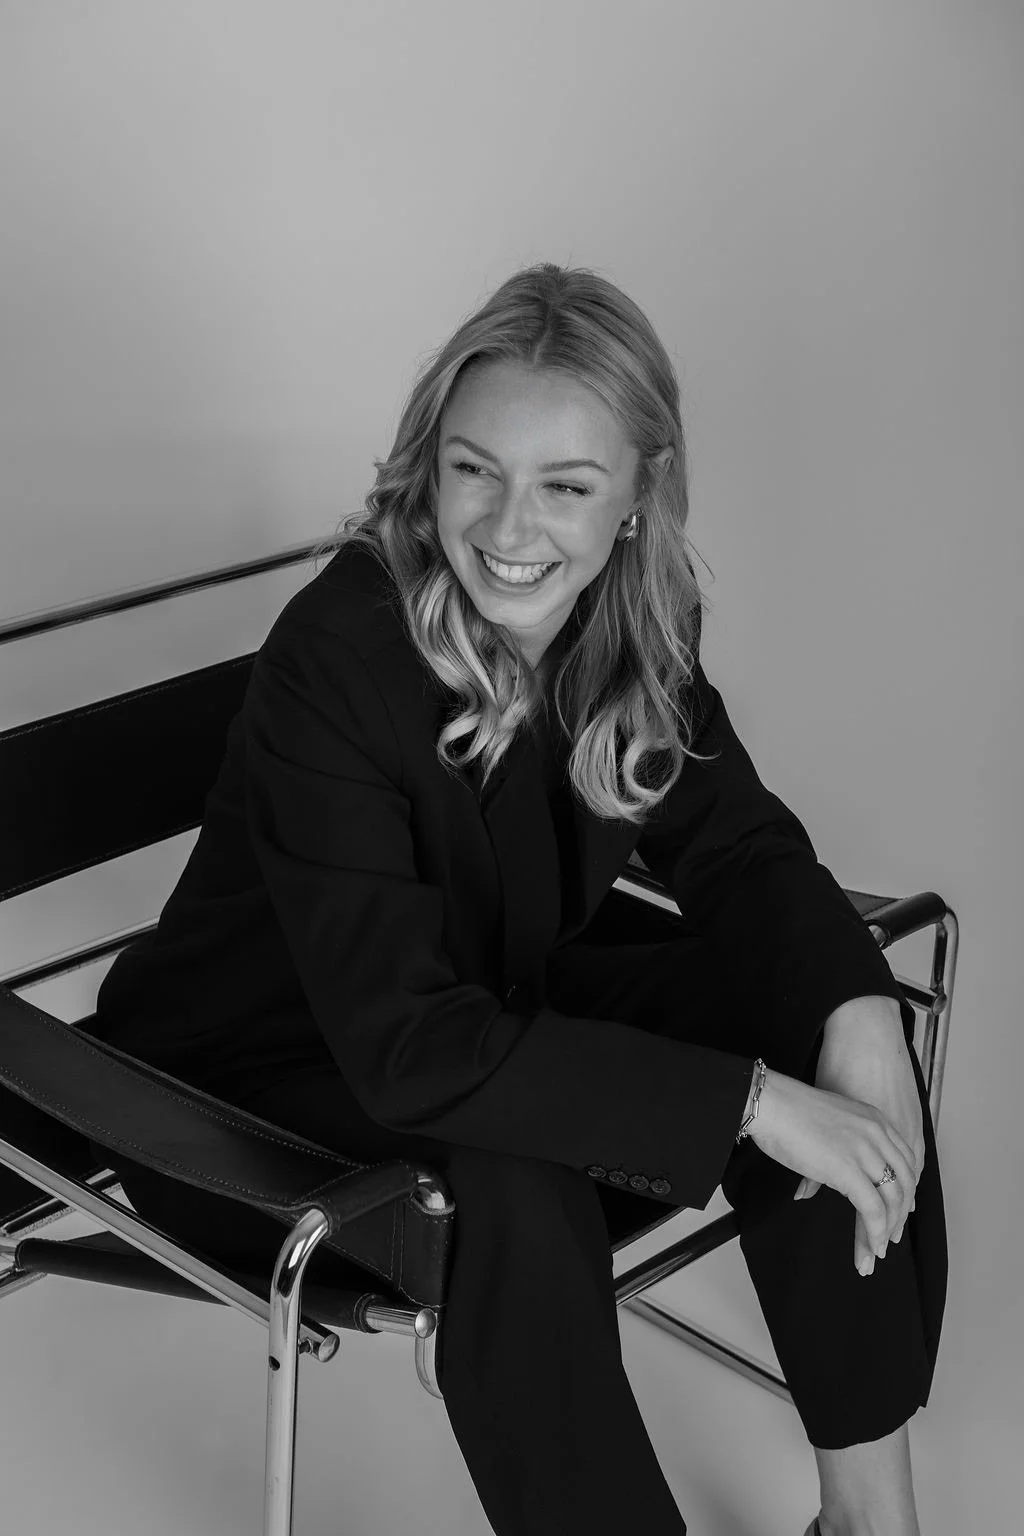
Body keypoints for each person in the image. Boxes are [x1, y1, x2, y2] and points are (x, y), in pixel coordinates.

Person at [90, 262, 946, 1536]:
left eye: (567, 485)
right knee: (510, 1178)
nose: (509, 527)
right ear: (428, 467)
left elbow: (740, 850)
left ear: (639, 497)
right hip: (243, 1083)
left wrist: (856, 1017)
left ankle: (870, 1525)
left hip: (488, 1000)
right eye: (474, 469)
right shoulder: (339, 653)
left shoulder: (628, 621)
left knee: (816, 1006)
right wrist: (752, 1107)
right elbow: (409, 1048)